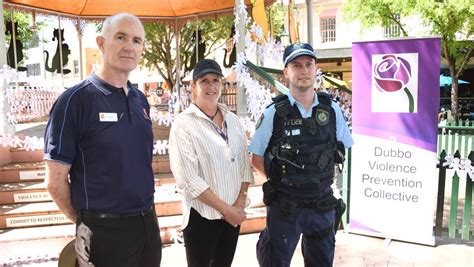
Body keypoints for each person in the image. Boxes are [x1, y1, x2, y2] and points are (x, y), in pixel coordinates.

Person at [44, 13, 162, 266]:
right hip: (103, 231)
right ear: (101, 42)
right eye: (121, 37)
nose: (129, 46)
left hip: (147, 225)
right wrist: (88, 222)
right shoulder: (75, 101)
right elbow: (55, 182)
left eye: (137, 40)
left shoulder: (140, 100)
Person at [249, 43, 354, 267]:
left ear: (316, 69)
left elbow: (343, 147)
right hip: (286, 206)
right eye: (296, 65)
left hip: (321, 205)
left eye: (308, 64)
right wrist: (282, 179)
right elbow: (255, 158)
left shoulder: (332, 110)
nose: (304, 70)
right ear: (286, 72)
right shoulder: (273, 113)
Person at [169, 59, 254, 267]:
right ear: (193, 86)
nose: (211, 86)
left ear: (222, 85)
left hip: (232, 216)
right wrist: (227, 210)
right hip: (202, 218)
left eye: (216, 80)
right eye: (204, 81)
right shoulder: (184, 124)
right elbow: (188, 180)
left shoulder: (232, 121)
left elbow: (244, 166)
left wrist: (239, 205)